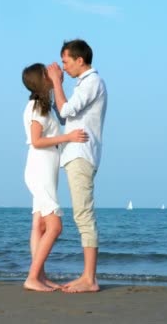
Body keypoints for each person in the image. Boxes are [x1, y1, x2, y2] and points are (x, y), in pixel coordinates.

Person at [21, 63, 89, 292]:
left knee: (39, 225)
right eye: (46, 72)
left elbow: (66, 110)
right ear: (41, 80)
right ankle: (32, 277)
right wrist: (68, 137)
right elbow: (36, 141)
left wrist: (58, 80)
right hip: (39, 171)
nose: (52, 71)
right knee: (55, 226)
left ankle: (39, 276)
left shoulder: (44, 106)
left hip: (45, 172)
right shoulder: (35, 107)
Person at [47, 39, 107, 293]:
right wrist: (55, 86)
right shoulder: (84, 84)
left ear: (79, 60)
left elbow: (67, 109)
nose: (64, 67)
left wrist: (57, 83)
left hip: (82, 155)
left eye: (66, 61)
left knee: (83, 215)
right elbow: (63, 114)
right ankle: (88, 276)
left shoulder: (92, 82)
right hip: (76, 155)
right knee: (81, 214)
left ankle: (89, 278)